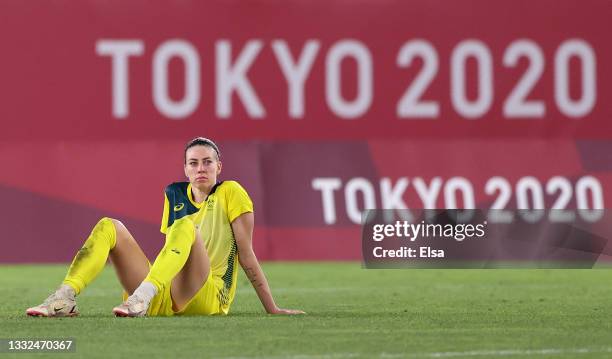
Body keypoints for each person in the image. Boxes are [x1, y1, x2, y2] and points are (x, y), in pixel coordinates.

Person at [26, 137, 304, 317]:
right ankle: (64, 297)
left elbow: (246, 255)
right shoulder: (174, 194)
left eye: (208, 162)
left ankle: (142, 297)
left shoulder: (231, 192)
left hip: (207, 296)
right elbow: (172, 250)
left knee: (185, 227)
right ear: (185, 169)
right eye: (193, 163)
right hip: (164, 293)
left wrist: (272, 308)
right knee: (109, 226)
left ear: (219, 166)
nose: (201, 168)